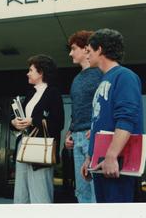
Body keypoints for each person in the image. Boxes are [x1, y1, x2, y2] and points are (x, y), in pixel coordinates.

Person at [81, 28, 144, 203]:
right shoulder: (104, 79)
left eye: (89, 51)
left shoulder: (125, 76)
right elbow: (97, 123)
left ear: (99, 49)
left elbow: (127, 118)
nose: (87, 55)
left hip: (116, 165)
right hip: (101, 164)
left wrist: (111, 155)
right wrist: (90, 158)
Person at [11, 54, 64, 203]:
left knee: (40, 195)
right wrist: (15, 123)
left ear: (41, 72)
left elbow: (57, 123)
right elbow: (22, 120)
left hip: (41, 149)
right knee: (21, 194)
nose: (28, 73)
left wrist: (32, 121)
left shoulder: (53, 93)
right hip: (23, 145)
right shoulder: (30, 94)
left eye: (31, 70)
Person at [64, 30, 102, 203]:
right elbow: (76, 109)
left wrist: (97, 129)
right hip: (77, 138)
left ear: (86, 49)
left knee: (97, 192)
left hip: (93, 138)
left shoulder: (102, 73)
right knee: (82, 192)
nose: (70, 53)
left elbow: (104, 107)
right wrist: (69, 133)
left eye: (73, 48)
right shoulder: (76, 79)